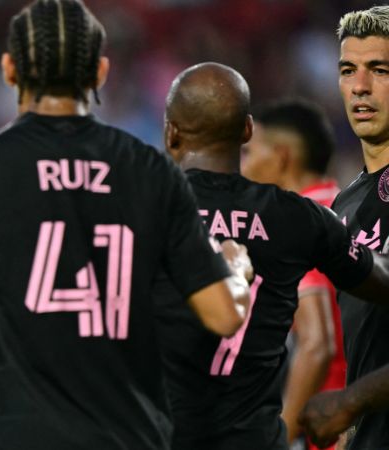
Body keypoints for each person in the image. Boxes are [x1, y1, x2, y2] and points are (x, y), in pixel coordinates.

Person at [0, 1, 254, 449]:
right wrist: (236, 269)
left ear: (9, 69)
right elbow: (222, 314)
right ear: (99, 73)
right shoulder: (149, 167)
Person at [157, 62, 389, 450]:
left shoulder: (139, 208)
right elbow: (378, 281)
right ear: (247, 130)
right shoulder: (300, 217)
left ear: (170, 133)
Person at [300, 6, 389, 448]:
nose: (360, 87)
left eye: (379, 69)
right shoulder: (345, 203)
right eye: (348, 70)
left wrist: (352, 400)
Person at [241, 99, 345, 449]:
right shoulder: (349, 207)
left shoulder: (299, 224)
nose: (244, 165)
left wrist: (280, 436)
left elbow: (317, 344)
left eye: (249, 153)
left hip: (329, 424)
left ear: (282, 156)